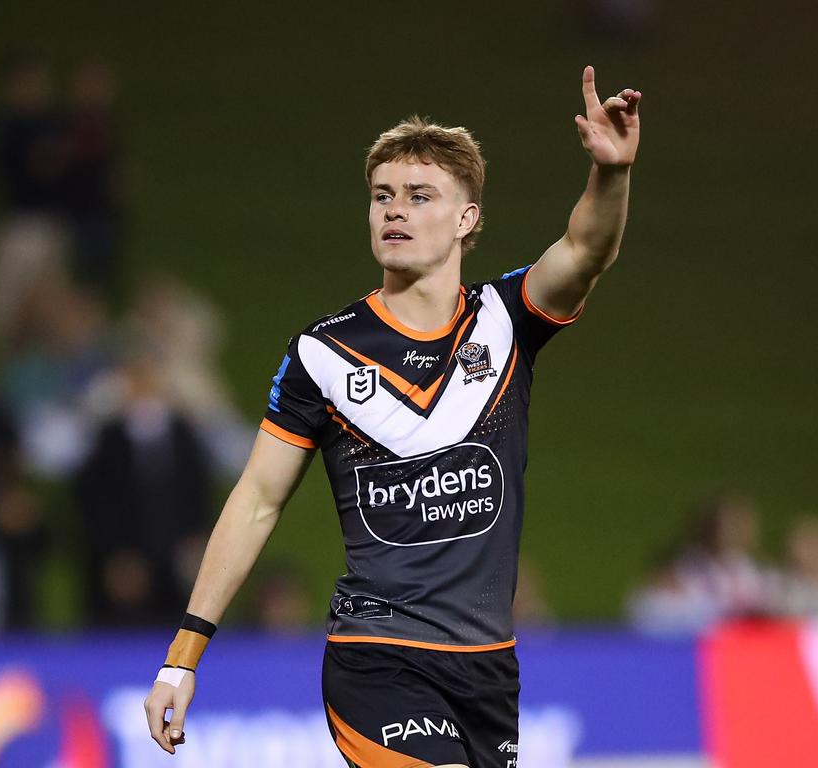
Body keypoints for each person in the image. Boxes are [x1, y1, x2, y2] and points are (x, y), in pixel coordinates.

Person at [144, 65, 641, 768]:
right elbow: (256, 500)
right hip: (377, 658)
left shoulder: (505, 320)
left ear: (467, 219)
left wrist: (610, 174)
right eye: (381, 197)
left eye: (419, 195)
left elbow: (586, 250)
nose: (394, 211)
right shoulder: (324, 354)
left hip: (487, 670)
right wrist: (181, 659)